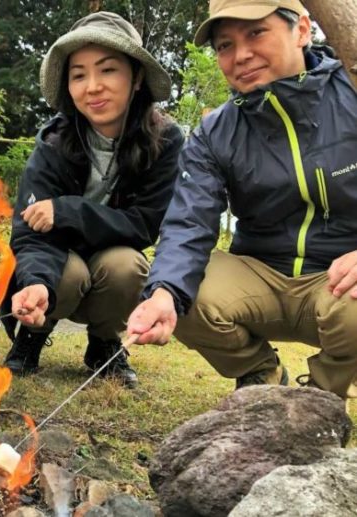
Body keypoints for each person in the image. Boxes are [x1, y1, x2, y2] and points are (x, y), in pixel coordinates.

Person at [127, 0, 357, 399]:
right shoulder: (215, 133)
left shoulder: (352, 90)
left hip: (338, 282)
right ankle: (261, 376)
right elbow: (189, 222)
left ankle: (321, 401)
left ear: (302, 30)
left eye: (256, 33)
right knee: (180, 292)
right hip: (260, 277)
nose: (241, 56)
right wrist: (163, 294)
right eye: (225, 46)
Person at [0, 11, 184, 388]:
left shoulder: (165, 141)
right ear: (67, 86)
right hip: (59, 262)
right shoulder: (52, 142)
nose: (93, 86)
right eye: (79, 74)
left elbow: (145, 224)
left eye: (108, 70)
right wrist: (34, 282)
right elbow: (30, 230)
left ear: (136, 78)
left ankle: (104, 343)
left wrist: (68, 210)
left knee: (129, 266)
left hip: (111, 260)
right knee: (66, 273)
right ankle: (32, 334)